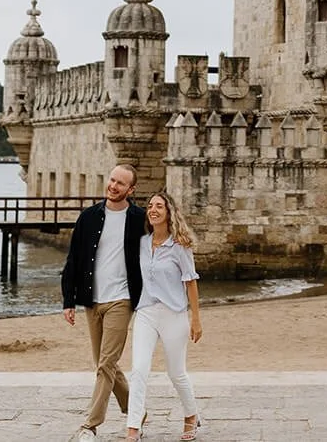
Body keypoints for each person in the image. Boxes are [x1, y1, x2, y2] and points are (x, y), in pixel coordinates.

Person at [62, 163, 147, 440]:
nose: (114, 186)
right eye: (112, 180)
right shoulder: (88, 217)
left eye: (121, 183)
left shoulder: (139, 219)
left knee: (106, 364)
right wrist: (68, 300)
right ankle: (136, 410)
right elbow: (73, 259)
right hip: (91, 300)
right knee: (103, 362)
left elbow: (154, 256)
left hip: (122, 300)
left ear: (131, 189)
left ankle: (90, 425)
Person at [124, 190, 202, 442]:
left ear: (169, 212)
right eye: (150, 206)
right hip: (146, 312)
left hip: (174, 314)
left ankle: (191, 416)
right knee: (139, 370)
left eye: (159, 206)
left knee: (176, 372)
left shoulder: (180, 246)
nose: (153, 209)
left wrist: (196, 319)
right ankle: (133, 426)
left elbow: (190, 282)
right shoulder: (142, 244)